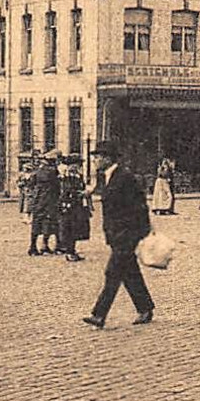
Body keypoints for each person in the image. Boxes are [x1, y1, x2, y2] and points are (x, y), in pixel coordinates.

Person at [83, 141, 155, 329]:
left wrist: (140, 233)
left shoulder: (124, 177)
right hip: (116, 234)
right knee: (130, 273)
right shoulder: (108, 176)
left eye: (97, 157)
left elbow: (139, 206)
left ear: (107, 158)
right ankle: (145, 307)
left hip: (126, 234)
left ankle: (98, 314)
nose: (95, 160)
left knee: (112, 273)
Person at [57, 157, 92, 262]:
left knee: (76, 228)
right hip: (69, 205)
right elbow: (67, 191)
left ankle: (72, 250)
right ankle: (69, 252)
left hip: (77, 205)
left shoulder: (77, 176)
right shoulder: (67, 177)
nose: (79, 166)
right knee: (69, 228)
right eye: (77, 164)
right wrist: (81, 193)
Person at [28, 153, 61, 255]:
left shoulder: (37, 172)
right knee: (48, 222)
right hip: (49, 200)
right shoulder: (53, 172)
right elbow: (58, 187)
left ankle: (33, 246)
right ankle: (44, 246)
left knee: (36, 223)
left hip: (38, 200)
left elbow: (30, 185)